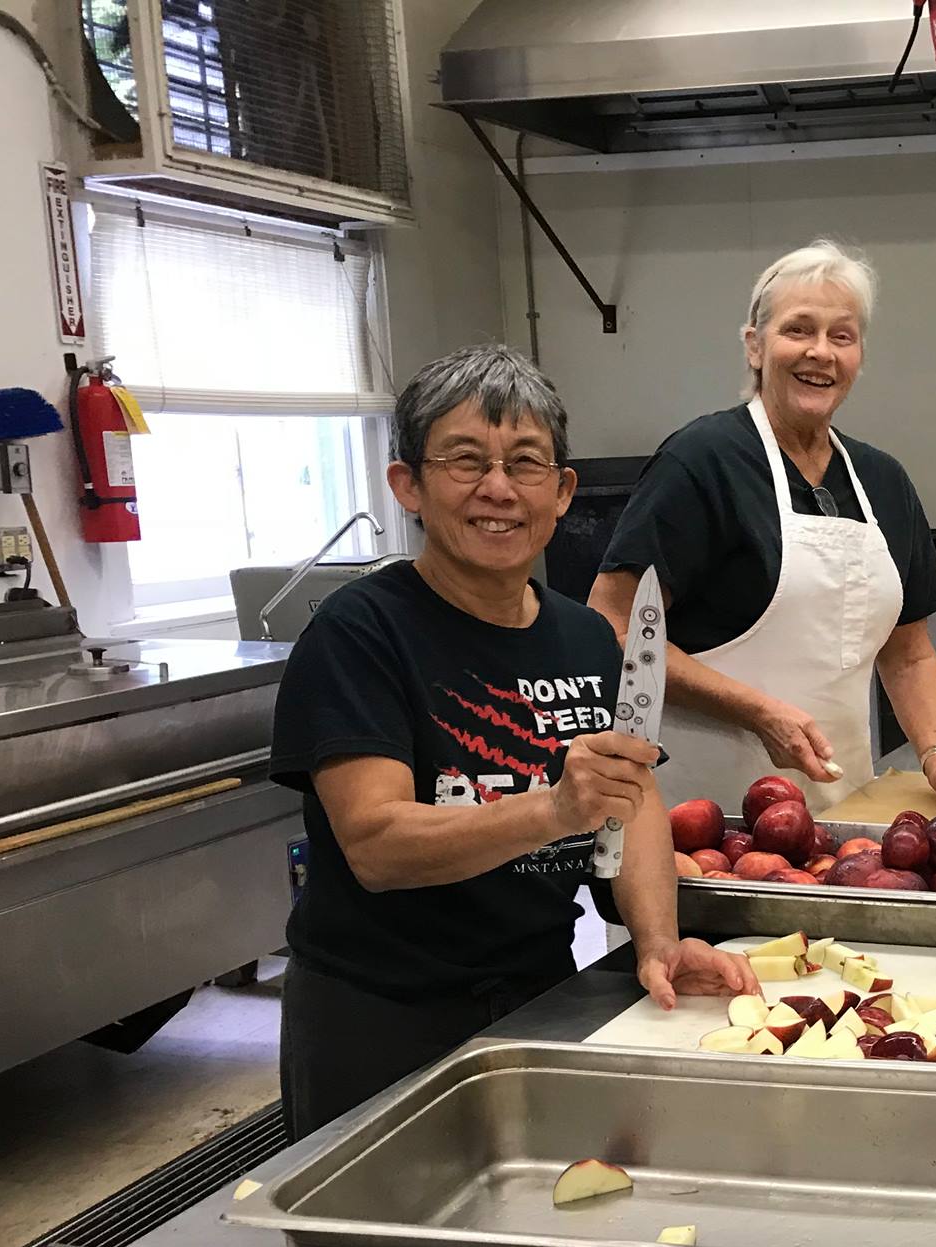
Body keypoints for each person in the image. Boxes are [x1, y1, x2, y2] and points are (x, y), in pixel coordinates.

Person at [269, 344, 755, 1138]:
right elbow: (377, 844)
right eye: (464, 461)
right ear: (408, 487)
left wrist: (659, 943)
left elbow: (631, 805)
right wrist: (555, 807)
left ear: (562, 492)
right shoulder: (358, 634)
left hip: (539, 995)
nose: (498, 489)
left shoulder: (587, 639)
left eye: (525, 463)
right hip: (382, 1019)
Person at [591, 240, 936, 814]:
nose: (821, 353)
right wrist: (757, 710)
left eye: (842, 336)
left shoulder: (882, 479)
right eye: (798, 330)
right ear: (755, 345)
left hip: (840, 805)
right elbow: (614, 627)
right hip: (703, 812)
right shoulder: (702, 463)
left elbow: (908, 652)